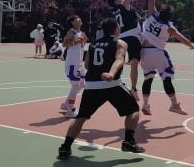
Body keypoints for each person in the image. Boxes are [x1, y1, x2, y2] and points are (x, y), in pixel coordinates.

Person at [57, 18, 145, 159]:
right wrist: (111, 73)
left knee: (81, 117)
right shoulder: (120, 42)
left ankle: (65, 147)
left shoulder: (93, 44)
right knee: (133, 110)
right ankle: (129, 141)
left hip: (92, 85)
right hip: (111, 84)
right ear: (117, 29)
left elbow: (87, 65)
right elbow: (119, 59)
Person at [140, 0, 194, 116]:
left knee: (148, 78)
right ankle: (174, 105)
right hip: (158, 52)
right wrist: (191, 45)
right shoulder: (169, 27)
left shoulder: (152, 15)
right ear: (170, 16)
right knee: (166, 78)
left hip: (144, 53)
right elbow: (181, 38)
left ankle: (145, 104)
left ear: (160, 11)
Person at [107, 0, 143, 101]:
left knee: (120, 60)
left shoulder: (114, 10)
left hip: (122, 37)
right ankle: (133, 88)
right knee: (134, 63)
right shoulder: (124, 5)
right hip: (133, 36)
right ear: (117, 0)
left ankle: (115, 80)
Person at [60, 15, 88, 118]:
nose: (80, 19)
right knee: (76, 85)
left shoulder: (80, 32)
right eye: (77, 19)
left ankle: (66, 104)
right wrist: (78, 41)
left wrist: (84, 39)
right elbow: (64, 44)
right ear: (72, 22)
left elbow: (82, 44)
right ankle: (70, 110)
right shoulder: (71, 32)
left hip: (79, 62)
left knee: (82, 84)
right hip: (72, 62)